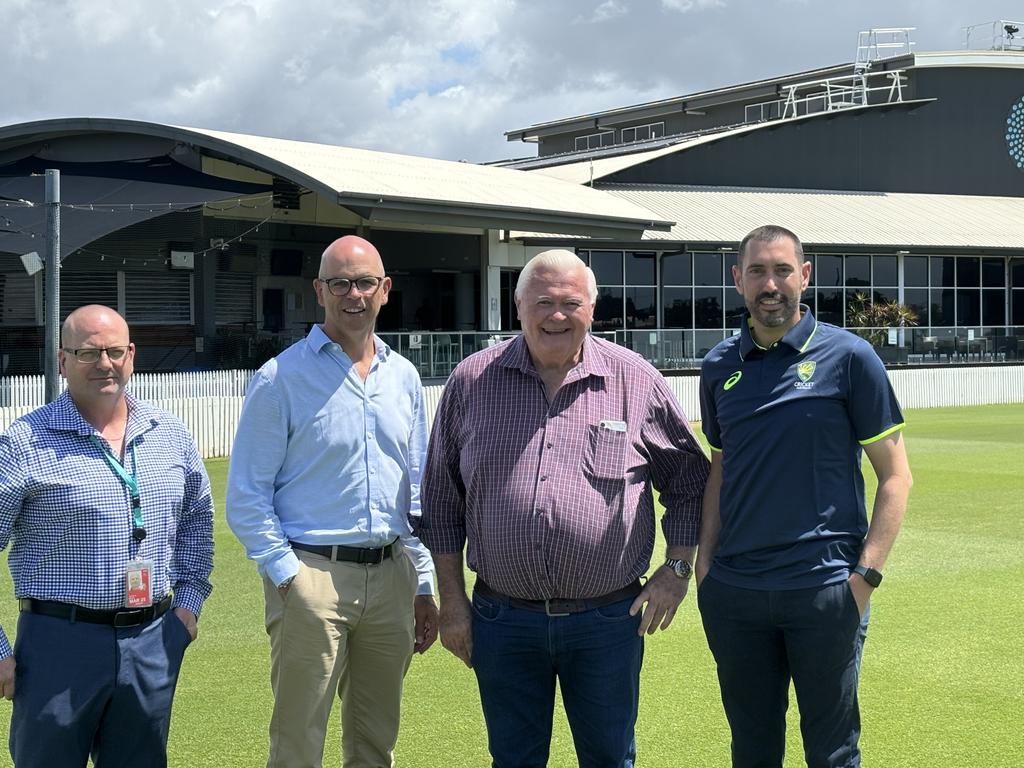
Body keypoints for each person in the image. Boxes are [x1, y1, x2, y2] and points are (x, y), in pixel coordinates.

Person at [419, 249, 709, 768]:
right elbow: (441, 500)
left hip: (607, 622)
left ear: (592, 309)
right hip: (502, 619)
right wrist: (453, 603)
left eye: (570, 302)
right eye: (543, 301)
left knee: (608, 759)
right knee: (513, 759)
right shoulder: (471, 382)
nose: (556, 314)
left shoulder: (633, 379)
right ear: (518, 306)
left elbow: (690, 479)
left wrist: (678, 569)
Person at [696, 225, 913, 768]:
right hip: (736, 594)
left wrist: (864, 578)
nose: (771, 284)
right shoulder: (719, 365)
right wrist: (705, 566)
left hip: (823, 590)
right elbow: (722, 470)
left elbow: (896, 476)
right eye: (757, 272)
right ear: (737, 281)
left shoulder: (850, 356)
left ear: (805, 276)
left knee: (833, 752)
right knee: (752, 748)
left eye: (783, 270)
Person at [227, 235, 439, 768]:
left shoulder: (405, 378)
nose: (353, 294)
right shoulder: (281, 378)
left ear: (384, 289)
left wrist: (423, 582)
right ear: (319, 291)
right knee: (299, 743)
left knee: (375, 742)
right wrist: (288, 577)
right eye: (340, 283)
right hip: (312, 576)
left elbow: (415, 490)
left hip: (392, 576)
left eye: (365, 282)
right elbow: (247, 496)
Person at [0, 304, 214, 767]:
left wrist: (188, 608)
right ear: (62, 360)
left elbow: (198, 520)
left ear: (131, 355)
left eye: (114, 351)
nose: (104, 363)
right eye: (87, 352)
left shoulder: (169, 434)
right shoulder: (25, 443)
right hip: (59, 642)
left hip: (153, 640)